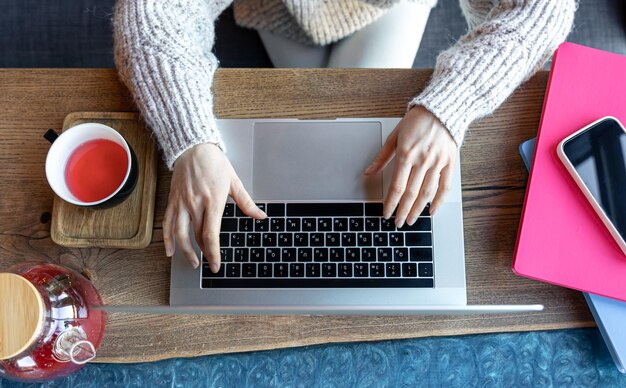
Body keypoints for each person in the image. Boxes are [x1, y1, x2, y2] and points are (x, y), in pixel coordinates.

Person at [113, 0, 576, 272]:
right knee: (339, 144)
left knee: (348, 149)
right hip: (281, 11)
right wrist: (191, 143)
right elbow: (149, 13)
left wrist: (447, 107)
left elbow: (544, 9)